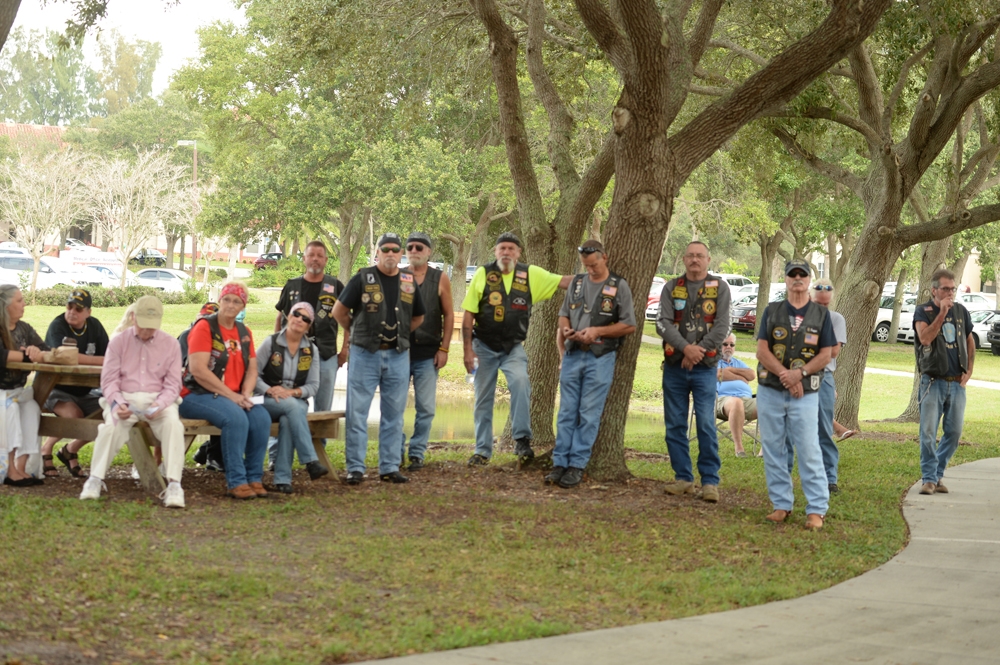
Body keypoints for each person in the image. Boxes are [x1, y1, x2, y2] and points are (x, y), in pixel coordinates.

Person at [462, 232, 571, 466]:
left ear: (519, 253)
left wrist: (598, 276)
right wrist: (467, 350)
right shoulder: (483, 274)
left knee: (521, 383)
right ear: (495, 252)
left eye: (511, 248)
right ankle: (482, 451)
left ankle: (522, 440)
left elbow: (564, 281)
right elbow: (469, 313)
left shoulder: (530, 274)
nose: (506, 252)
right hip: (483, 347)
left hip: (513, 348)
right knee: (483, 398)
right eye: (502, 248)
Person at [332, 233, 425, 485]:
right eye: (386, 249)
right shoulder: (362, 278)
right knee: (357, 412)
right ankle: (355, 468)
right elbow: (338, 311)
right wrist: (356, 331)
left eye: (395, 249)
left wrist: (401, 334)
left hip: (398, 355)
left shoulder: (408, 280)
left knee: (394, 414)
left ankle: (389, 467)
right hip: (365, 354)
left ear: (401, 254)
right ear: (378, 253)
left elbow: (419, 316)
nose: (391, 253)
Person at [79, 296, 187, 508]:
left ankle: (175, 484)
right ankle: (95, 479)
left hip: (158, 399)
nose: (146, 331)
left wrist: (160, 404)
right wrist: (118, 403)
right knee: (110, 427)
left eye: (151, 327)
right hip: (124, 397)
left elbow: (173, 384)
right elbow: (109, 381)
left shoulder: (171, 344)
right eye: (143, 325)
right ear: (133, 317)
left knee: (174, 426)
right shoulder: (118, 342)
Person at [755, 259, 836, 531]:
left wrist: (799, 375)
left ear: (809, 280)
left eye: (803, 274)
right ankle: (781, 504)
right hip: (770, 390)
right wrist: (785, 375)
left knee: (809, 448)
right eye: (793, 274)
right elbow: (762, 351)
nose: (798, 278)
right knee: (774, 448)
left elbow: (826, 354)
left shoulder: (821, 314)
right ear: (786, 279)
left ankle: (816, 509)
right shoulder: (772, 310)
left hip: (806, 393)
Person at [548, 240, 636, 488]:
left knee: (588, 413)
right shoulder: (576, 283)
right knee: (566, 412)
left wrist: (598, 331)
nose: (590, 270)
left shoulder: (618, 286)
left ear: (604, 258)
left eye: (594, 265)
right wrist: (566, 330)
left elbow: (629, 325)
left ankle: (577, 465)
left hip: (600, 357)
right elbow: (563, 315)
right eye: (586, 266)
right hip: (573, 354)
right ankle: (559, 463)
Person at [178, 282, 272, 500]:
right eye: (227, 299)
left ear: (243, 306)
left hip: (233, 396)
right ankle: (236, 481)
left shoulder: (244, 332)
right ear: (220, 300)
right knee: (235, 418)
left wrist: (246, 394)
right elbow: (198, 370)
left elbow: (252, 369)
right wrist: (233, 397)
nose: (230, 305)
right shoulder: (205, 327)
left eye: (236, 301)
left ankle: (254, 478)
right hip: (196, 394)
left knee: (261, 418)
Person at [656, 241, 731, 502]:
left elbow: (723, 326)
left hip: (705, 368)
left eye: (700, 256)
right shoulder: (671, 287)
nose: (695, 260)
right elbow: (662, 323)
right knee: (675, 424)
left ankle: (710, 482)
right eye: (690, 255)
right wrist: (686, 348)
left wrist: (698, 351)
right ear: (684, 259)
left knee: (706, 424)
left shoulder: (719, 287)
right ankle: (683, 479)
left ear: (708, 260)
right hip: (674, 367)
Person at [913, 268, 974, 496]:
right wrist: (941, 313)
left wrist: (969, 370)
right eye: (945, 289)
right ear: (934, 290)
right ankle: (929, 479)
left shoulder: (961, 311)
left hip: (956, 383)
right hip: (932, 381)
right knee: (928, 432)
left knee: (954, 432)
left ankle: (937, 473)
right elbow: (925, 338)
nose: (950, 293)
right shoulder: (923, 311)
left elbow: (969, 340)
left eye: (953, 289)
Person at [256, 301, 328, 494]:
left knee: (289, 418)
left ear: (309, 326)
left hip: (295, 401)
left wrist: (292, 393)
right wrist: (269, 390)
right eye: (296, 314)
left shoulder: (312, 350)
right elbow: (252, 375)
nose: (299, 319)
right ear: (288, 316)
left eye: (305, 318)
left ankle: (283, 479)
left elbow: (313, 386)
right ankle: (310, 460)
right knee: (292, 408)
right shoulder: (270, 342)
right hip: (264, 400)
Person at [275, 241, 347, 430]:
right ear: (304, 258)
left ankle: (318, 447)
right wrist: (276, 347)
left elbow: (348, 319)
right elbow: (280, 317)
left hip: (326, 354)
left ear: (326, 260)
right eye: (311, 255)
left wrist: (344, 351)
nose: (315, 259)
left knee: (323, 410)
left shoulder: (336, 286)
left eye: (319, 256)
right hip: (293, 354)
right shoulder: (292, 286)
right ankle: (283, 444)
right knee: (289, 404)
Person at [39, 289, 109, 479]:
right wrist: (98, 360)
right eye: (69, 306)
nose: (72, 311)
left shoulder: (95, 326)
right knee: (74, 416)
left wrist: (96, 360)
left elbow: (110, 355)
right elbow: (65, 357)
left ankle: (70, 450)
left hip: (86, 391)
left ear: (88, 312)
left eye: (78, 309)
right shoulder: (57, 326)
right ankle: (47, 447)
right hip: (54, 388)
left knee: (111, 412)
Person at [784, 278, 846, 493]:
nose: (822, 308)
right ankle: (784, 478)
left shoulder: (836, 319)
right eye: (819, 304)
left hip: (823, 377)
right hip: (796, 376)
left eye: (826, 304)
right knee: (789, 428)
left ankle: (829, 478)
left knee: (824, 429)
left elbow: (833, 352)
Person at [398, 232, 454, 471]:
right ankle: (396, 450)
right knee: (395, 406)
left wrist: (444, 348)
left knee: (426, 408)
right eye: (410, 247)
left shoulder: (440, 278)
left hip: (428, 354)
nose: (414, 250)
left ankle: (417, 452)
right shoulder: (398, 276)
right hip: (399, 352)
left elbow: (449, 315)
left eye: (419, 247)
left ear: (429, 251)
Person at [0, 285, 46, 487]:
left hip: (17, 391)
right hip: (1, 393)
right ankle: (8, 469)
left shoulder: (25, 329)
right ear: (5, 306)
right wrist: (27, 355)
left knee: (32, 408)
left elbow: (45, 350)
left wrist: (36, 351)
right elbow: (2, 356)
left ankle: (22, 466)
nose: (24, 304)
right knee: (9, 408)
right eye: (19, 301)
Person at [715, 333, 757, 457]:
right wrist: (740, 377)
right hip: (721, 400)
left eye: (732, 345)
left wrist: (730, 370)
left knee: (771, 402)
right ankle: (739, 448)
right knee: (736, 402)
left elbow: (752, 375)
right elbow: (718, 374)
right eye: (725, 344)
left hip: (746, 400)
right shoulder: (712, 361)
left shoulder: (738, 362)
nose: (729, 347)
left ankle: (765, 450)